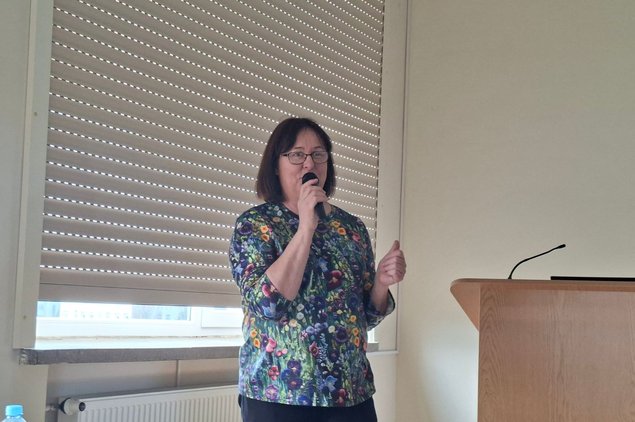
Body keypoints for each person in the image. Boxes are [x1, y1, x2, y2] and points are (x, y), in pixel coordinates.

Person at [229, 117, 406, 422]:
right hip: (277, 391)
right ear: (276, 165)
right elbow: (268, 304)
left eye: (318, 154)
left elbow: (365, 318)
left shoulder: (351, 228)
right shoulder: (255, 225)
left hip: (350, 390)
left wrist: (380, 283)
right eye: (297, 154)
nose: (309, 163)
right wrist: (305, 228)